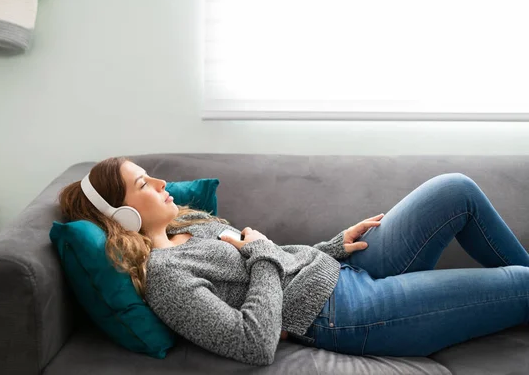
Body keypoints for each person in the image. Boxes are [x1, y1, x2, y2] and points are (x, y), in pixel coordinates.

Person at [58, 156, 529, 366]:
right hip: (345, 314)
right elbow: (253, 342)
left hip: (342, 269)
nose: (161, 183)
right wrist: (261, 251)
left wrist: (334, 245)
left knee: (456, 189)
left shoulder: (191, 225)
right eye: (144, 184)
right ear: (122, 215)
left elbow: (273, 263)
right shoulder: (166, 278)